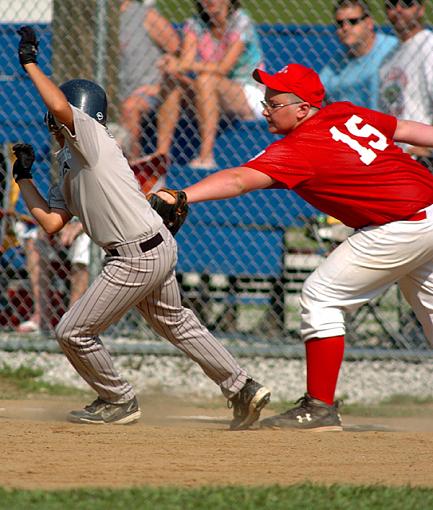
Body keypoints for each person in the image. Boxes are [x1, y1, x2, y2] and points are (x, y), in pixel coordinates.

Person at [13, 25, 270, 428]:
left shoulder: (93, 139)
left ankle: (118, 399)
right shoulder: (66, 162)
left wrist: (30, 64)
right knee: (177, 323)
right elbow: (50, 221)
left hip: (133, 256)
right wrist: (22, 178)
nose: (53, 119)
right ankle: (242, 387)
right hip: (152, 248)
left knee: (72, 332)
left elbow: (63, 110)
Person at [155, 62, 433, 431]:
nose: (266, 108)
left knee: (322, 295)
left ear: (303, 109)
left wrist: (182, 195)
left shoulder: (303, 145)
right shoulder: (343, 112)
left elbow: (239, 179)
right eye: (266, 100)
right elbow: (410, 130)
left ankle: (319, 407)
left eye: (276, 102)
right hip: (422, 215)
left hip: (403, 225)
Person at [154, 0, 264, 169]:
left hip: (247, 91)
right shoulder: (194, 24)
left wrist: (181, 64)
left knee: (205, 79)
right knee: (173, 81)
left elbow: (223, 67)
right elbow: (186, 61)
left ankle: (206, 157)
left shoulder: (241, 22)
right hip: (208, 89)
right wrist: (172, 64)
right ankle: (160, 156)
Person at [119, 0, 180, 161]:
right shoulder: (104, 19)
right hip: (119, 91)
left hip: (150, 90)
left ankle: (132, 165)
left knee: (130, 108)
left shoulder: (146, 15)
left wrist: (159, 85)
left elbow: (178, 52)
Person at [380, 0, 433, 171]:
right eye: (391, 4)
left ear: (421, 9)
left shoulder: (429, 46)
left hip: (424, 158)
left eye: (407, 3)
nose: (398, 9)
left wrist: (429, 149)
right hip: (400, 160)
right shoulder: (387, 59)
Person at [320, 0, 398, 109]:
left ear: (369, 23)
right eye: (340, 23)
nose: (345, 28)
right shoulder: (336, 65)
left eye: (353, 21)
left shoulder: (393, 47)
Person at [16, 223, 91, 334]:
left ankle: (72, 321)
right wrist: (54, 225)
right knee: (33, 238)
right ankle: (40, 316)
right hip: (62, 224)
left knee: (84, 242)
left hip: (91, 228)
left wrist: (80, 226)